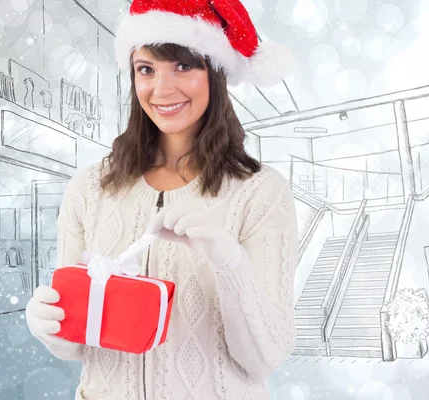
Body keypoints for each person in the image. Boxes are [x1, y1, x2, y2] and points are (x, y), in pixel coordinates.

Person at [25, 0, 298, 399]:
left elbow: (265, 357)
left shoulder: (260, 192)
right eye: (146, 69)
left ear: (216, 73)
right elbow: (80, 344)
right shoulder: (90, 187)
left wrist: (229, 261)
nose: (162, 89)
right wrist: (49, 327)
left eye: (184, 66)